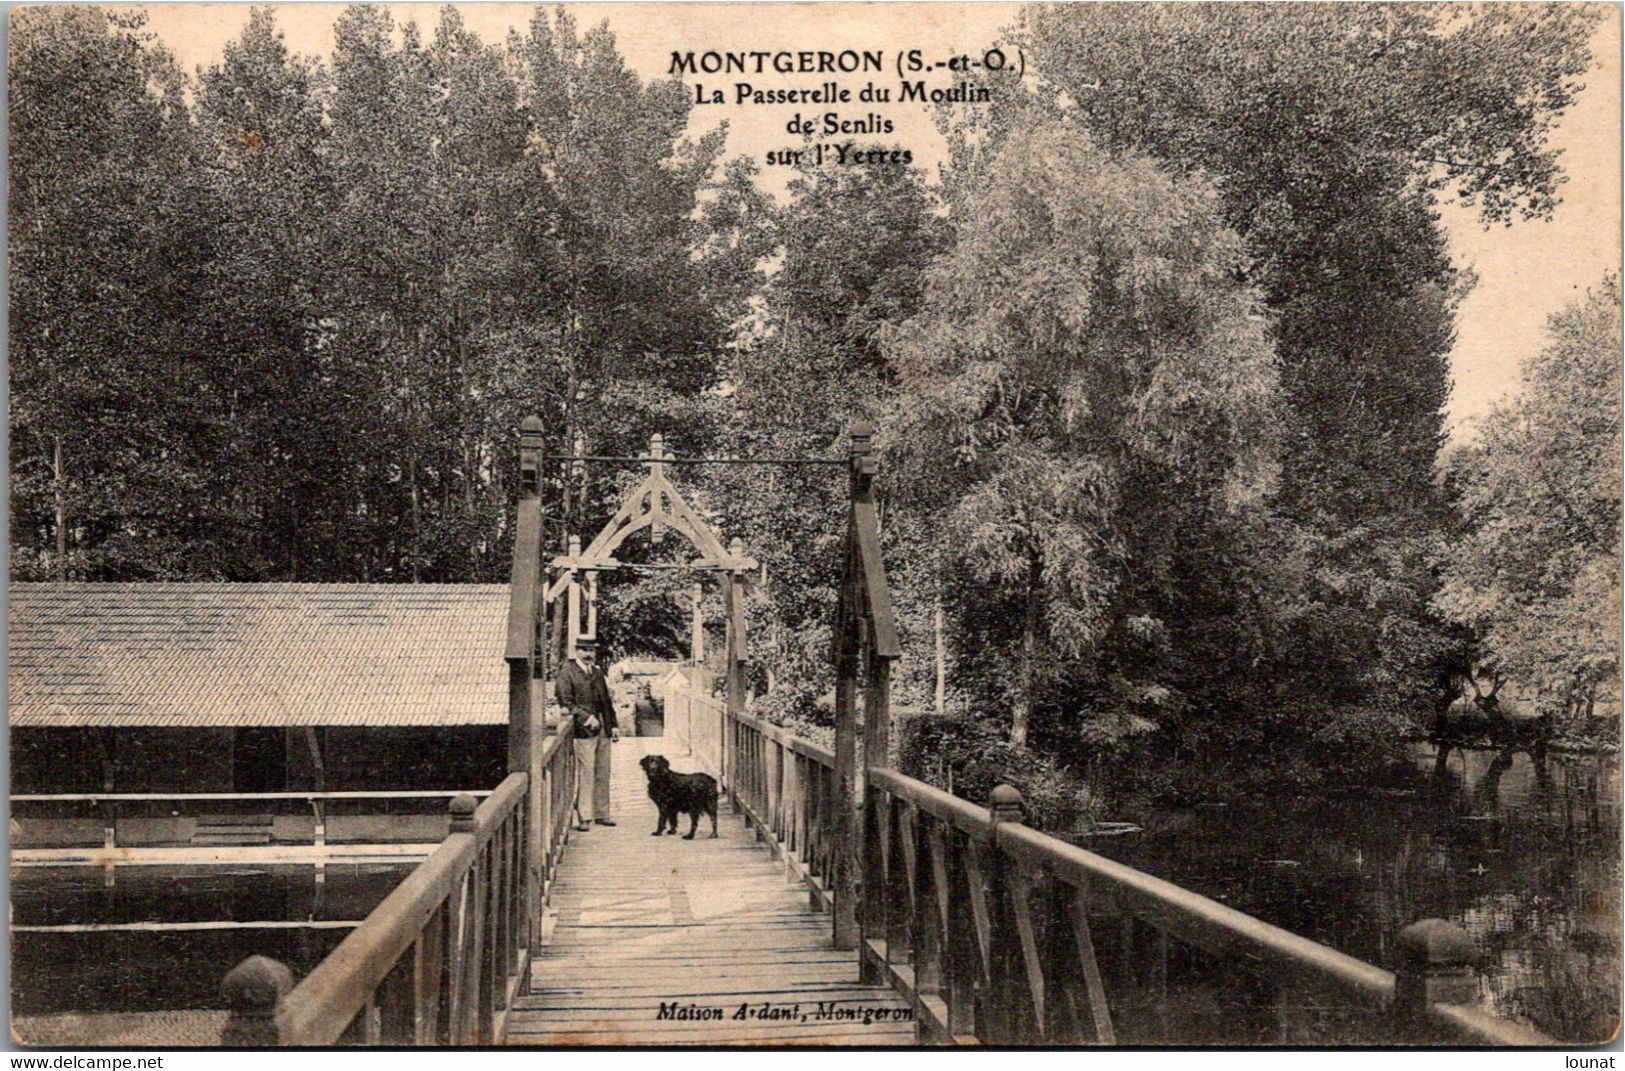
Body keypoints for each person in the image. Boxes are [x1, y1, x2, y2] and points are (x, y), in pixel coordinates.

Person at [555, 637, 619, 829]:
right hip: (583, 731)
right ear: (576, 652)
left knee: (603, 771)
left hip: (603, 729)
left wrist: (613, 724)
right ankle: (585, 816)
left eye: (591, 650)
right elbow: (565, 701)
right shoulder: (567, 672)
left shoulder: (597, 672)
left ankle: (602, 813)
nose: (588, 654)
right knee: (587, 772)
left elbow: (606, 701)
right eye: (584, 650)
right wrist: (585, 717)